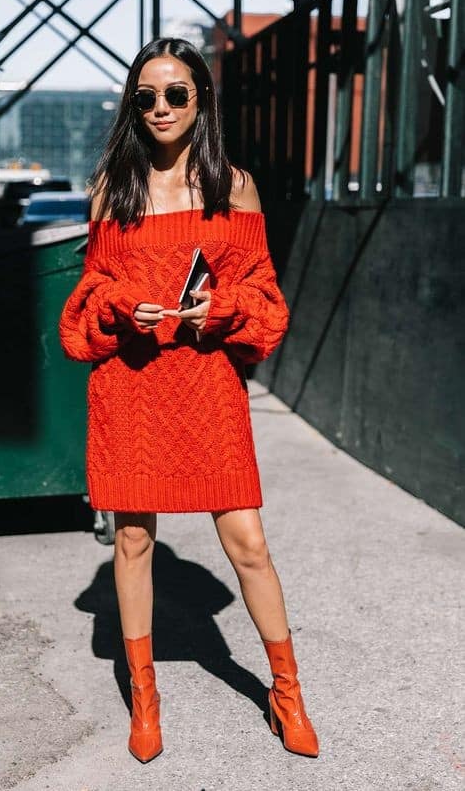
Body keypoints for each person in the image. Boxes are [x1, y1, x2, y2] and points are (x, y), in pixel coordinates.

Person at [59, 37, 319, 763]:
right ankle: (146, 698)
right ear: (132, 106)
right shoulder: (114, 189)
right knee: (134, 540)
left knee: (249, 544)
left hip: (207, 386)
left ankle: (287, 691)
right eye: (146, 96)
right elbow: (86, 297)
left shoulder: (233, 186)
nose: (162, 108)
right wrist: (120, 304)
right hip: (133, 385)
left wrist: (219, 310)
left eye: (177, 93)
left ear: (201, 99)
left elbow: (266, 297)